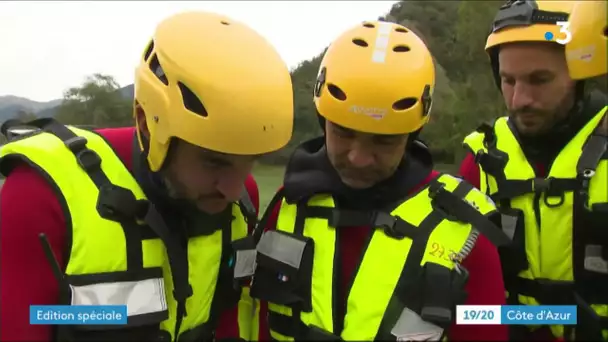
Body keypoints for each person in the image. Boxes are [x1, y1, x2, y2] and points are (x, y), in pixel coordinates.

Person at [0, 10, 293, 342]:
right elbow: (28, 319)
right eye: (215, 162)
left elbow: (225, 316)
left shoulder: (242, 199)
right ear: (145, 124)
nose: (234, 188)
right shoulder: (39, 195)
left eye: (250, 161)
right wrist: (104, 317)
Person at [231, 20, 510, 341]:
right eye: (344, 133)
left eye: (383, 141)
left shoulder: (465, 233)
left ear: (412, 133)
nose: (358, 157)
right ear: (324, 121)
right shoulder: (288, 207)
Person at [459, 0, 608, 340]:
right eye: (508, 81)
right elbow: (460, 306)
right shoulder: (481, 159)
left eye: (539, 80)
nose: (519, 100)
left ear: (581, 76)